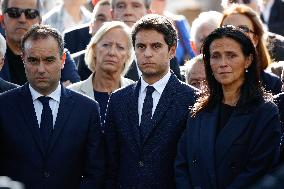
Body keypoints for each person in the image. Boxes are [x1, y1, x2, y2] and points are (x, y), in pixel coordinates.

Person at [175, 26, 281, 189]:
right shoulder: (199, 109)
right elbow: (182, 163)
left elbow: (258, 170)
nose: (222, 63)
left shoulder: (265, 111)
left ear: (248, 60)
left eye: (231, 55)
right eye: (216, 56)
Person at [0, 25, 105, 189]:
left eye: (49, 60)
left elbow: (96, 171)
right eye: (33, 60)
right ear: (23, 60)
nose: (41, 69)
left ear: (63, 60)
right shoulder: (3, 106)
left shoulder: (87, 109)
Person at [105, 14, 197, 189]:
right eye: (141, 46)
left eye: (156, 46)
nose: (147, 53)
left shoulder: (191, 98)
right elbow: (110, 162)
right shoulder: (118, 100)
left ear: (172, 50)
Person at [0, 0, 80, 86]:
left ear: (40, 21)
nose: (22, 19)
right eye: (14, 13)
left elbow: (73, 94)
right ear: (2, 20)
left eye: (31, 13)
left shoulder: (59, 55)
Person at [68, 21, 134, 124]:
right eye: (106, 45)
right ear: (94, 49)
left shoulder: (136, 93)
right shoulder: (71, 94)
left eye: (120, 47)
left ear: (128, 56)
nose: (112, 52)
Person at [110, 0, 182, 81]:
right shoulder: (101, 52)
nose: (128, 12)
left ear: (148, 13)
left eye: (136, 6)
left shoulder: (165, 51)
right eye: (121, 6)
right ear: (112, 14)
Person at [221, 4, 282, 94]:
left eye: (242, 29)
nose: (233, 35)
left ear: (255, 39)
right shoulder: (208, 80)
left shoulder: (272, 84)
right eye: (226, 29)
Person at [150, 0, 195, 65]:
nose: (157, 3)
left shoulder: (178, 22)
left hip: (179, 70)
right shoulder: (143, 24)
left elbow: (192, 50)